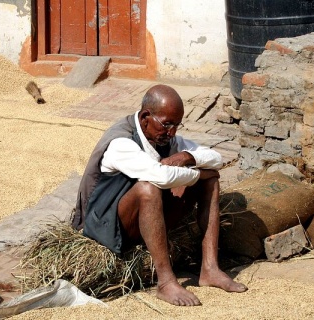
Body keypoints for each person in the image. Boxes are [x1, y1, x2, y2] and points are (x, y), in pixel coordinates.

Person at [72, 84, 247, 306]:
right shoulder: (120, 142)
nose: (172, 132)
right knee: (149, 188)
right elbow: (160, 176)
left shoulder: (165, 137)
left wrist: (186, 157)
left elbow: (216, 158)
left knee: (210, 181)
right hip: (106, 226)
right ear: (146, 117)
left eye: (176, 125)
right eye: (167, 124)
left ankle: (210, 268)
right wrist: (200, 173)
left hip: (145, 218)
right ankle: (165, 282)